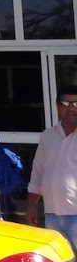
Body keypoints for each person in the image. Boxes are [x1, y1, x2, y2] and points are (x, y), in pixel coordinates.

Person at [28, 86, 77, 247]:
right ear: (57, 106)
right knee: (59, 258)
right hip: (52, 214)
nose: (71, 108)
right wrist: (31, 206)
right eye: (65, 103)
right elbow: (38, 172)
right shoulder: (48, 136)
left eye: (75, 103)